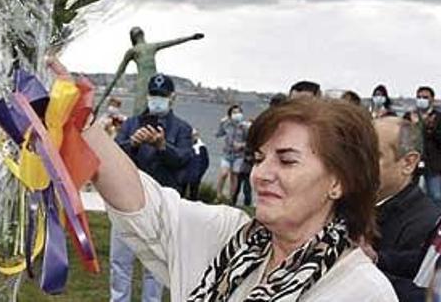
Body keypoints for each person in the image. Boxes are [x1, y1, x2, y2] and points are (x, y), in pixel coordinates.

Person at [83, 91, 395, 301]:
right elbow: (144, 206)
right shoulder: (227, 235)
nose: (260, 174)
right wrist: (81, 123)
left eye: (286, 161)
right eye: (259, 159)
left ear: (338, 182)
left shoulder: (361, 291)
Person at [111, 73, 194, 302]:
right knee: (120, 261)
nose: (157, 99)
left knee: (156, 267)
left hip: (162, 206)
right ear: (148, 96)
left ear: (172, 97)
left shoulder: (182, 129)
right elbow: (114, 156)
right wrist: (133, 144)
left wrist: (162, 146)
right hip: (126, 200)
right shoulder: (130, 124)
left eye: (162, 96)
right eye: (154, 95)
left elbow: (184, 161)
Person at [371, 117, 441, 301]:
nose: (360, 164)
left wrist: (357, 271)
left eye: (373, 155)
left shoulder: (422, 224)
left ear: (409, 163)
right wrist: (375, 259)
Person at [96, 27, 204, 115]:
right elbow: (172, 42)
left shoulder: (138, 49)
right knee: (149, 111)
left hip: (149, 83)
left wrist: (191, 37)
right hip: (152, 83)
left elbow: (117, 75)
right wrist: (191, 37)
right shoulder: (141, 49)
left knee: (146, 112)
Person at [409, 86, 441, 205]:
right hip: (412, 162)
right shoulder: (410, 116)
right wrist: (414, 126)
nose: (421, 100)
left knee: (436, 195)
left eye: (425, 97)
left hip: (433, 163)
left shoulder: (438, 117)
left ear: (432, 99)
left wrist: (429, 128)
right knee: (409, 194)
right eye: (419, 97)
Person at [214, 104, 248, 203]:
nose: (237, 114)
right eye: (234, 112)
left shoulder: (245, 127)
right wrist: (221, 123)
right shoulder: (227, 124)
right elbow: (218, 134)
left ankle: (230, 198)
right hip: (227, 154)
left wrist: (241, 145)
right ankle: (218, 195)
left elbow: (250, 141)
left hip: (239, 155)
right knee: (224, 173)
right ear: (230, 115)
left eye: (238, 112)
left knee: (234, 176)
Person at [180, 131, 209, 202]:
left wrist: (200, 173)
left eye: (194, 136)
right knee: (181, 192)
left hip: (195, 174)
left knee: (193, 193)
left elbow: (205, 162)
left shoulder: (201, 148)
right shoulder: (185, 145)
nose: (193, 137)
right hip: (184, 173)